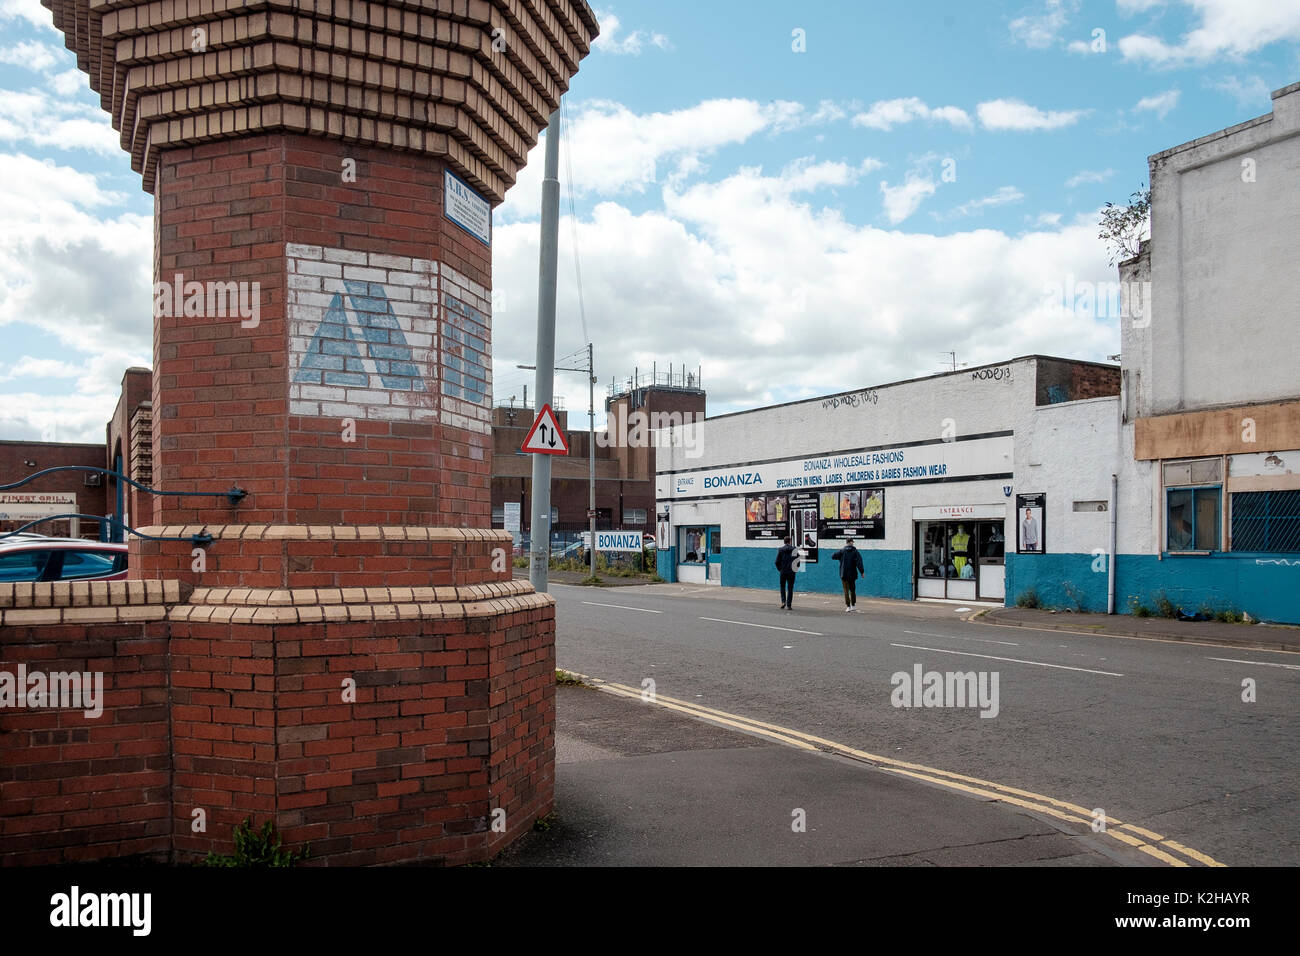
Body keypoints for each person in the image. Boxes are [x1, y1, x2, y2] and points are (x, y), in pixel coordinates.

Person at [831, 537, 865, 612]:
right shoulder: (855, 552)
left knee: (846, 591)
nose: (853, 543)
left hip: (844, 574)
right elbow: (859, 563)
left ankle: (848, 607)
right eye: (852, 542)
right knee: (852, 590)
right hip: (852, 574)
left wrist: (840, 557)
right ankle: (853, 606)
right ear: (850, 542)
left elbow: (833, 556)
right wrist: (862, 572)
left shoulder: (842, 551)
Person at [774, 536, 797, 609]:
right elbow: (797, 561)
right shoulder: (794, 549)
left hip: (783, 572)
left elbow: (777, 562)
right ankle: (789, 605)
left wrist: (780, 569)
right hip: (791, 572)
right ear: (790, 541)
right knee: (790, 588)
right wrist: (795, 569)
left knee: (782, 586)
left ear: (784, 542)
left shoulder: (781, 550)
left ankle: (783, 601)